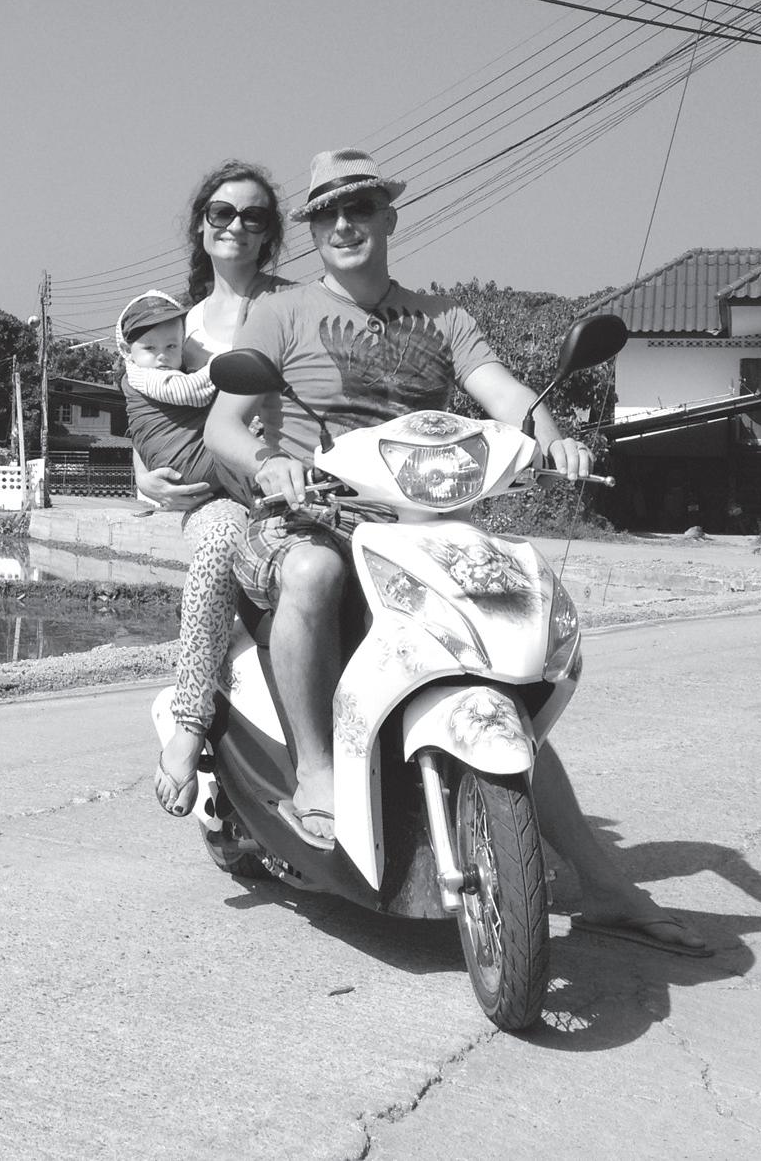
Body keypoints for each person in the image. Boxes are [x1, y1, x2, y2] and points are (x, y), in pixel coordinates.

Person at [204, 147, 712, 955]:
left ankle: (603, 885)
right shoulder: (279, 312)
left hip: (421, 526)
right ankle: (314, 768)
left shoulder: (443, 318)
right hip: (309, 518)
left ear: (388, 217)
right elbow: (223, 425)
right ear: (311, 229)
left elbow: (504, 395)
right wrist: (270, 464)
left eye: (360, 207)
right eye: (327, 213)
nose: (344, 223)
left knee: (492, 670)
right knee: (312, 573)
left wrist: (552, 436)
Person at [121, 160, 291, 817]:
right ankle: (190, 721)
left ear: (269, 231)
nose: (235, 226)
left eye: (253, 215)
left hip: (289, 482)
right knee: (220, 542)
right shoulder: (179, 328)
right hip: (216, 494)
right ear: (201, 225)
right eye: (221, 212)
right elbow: (153, 416)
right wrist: (143, 479)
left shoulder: (295, 305)